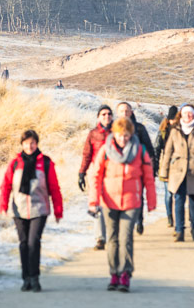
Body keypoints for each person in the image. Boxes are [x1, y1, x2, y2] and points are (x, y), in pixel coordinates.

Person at [88, 117, 157, 293]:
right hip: (109, 202)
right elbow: (95, 176)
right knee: (112, 239)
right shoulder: (105, 150)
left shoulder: (139, 151)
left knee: (125, 238)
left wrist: (151, 201)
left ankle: (125, 273)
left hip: (131, 202)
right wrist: (93, 201)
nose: (123, 139)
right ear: (114, 134)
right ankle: (114, 273)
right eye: (120, 135)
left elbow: (148, 178)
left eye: (126, 135)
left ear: (131, 135)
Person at [0, 129, 63, 293]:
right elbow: (6, 185)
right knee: (23, 244)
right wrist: (3, 205)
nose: (29, 146)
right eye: (26, 143)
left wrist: (58, 210)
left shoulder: (45, 162)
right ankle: (26, 278)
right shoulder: (15, 163)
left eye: (32, 143)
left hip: (39, 209)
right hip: (19, 210)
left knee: (33, 243)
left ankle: (35, 278)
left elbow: (54, 188)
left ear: (37, 144)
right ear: (22, 144)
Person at [159, 104, 194, 242]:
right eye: (185, 113)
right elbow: (168, 152)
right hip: (177, 171)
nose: (187, 116)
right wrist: (164, 171)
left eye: (190, 113)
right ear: (180, 115)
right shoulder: (175, 131)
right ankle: (179, 230)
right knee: (179, 200)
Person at [114, 102, 156, 234]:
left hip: (137, 170)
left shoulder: (139, 128)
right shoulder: (113, 129)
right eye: (122, 111)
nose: (125, 113)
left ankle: (139, 220)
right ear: (117, 113)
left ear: (131, 112)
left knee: (137, 196)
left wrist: (152, 168)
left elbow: (149, 149)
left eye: (127, 111)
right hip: (117, 171)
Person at [78, 105, 114, 251]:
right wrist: (82, 173)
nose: (106, 116)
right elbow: (86, 154)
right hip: (97, 173)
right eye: (103, 114)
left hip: (114, 174)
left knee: (112, 205)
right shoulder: (93, 134)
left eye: (109, 114)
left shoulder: (118, 132)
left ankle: (113, 235)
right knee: (97, 205)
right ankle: (100, 238)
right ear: (98, 117)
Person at [154, 105, 178, 228]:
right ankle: (169, 216)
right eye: (172, 119)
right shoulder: (163, 131)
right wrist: (156, 165)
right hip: (166, 165)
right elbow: (156, 148)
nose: (173, 121)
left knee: (178, 193)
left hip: (178, 165)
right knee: (168, 193)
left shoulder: (180, 130)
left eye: (175, 119)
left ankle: (178, 218)